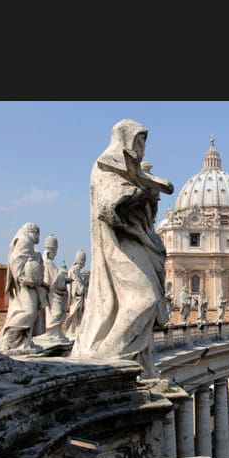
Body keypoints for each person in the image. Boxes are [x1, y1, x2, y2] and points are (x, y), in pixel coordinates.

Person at [71, 119, 174, 379]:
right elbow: (108, 206)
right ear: (126, 140)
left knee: (144, 300)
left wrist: (148, 189)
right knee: (144, 300)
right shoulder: (106, 165)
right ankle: (107, 358)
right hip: (118, 243)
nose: (142, 147)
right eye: (140, 141)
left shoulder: (131, 169)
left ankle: (135, 358)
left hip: (136, 239)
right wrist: (141, 192)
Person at [0, 224, 49, 354]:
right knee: (28, 311)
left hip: (28, 284)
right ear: (33, 232)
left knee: (32, 311)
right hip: (24, 284)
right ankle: (8, 339)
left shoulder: (27, 243)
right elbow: (16, 259)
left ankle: (23, 341)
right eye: (38, 234)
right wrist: (21, 278)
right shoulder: (25, 240)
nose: (38, 238)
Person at [38, 234, 73, 341]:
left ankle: (55, 332)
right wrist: (65, 279)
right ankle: (51, 333)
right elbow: (56, 279)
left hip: (52, 293)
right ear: (52, 251)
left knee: (56, 313)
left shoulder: (46, 262)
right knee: (56, 313)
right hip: (52, 294)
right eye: (55, 252)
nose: (55, 254)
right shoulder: (48, 263)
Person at [65, 249, 87, 338]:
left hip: (76, 297)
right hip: (76, 297)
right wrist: (85, 289)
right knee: (75, 315)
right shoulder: (75, 270)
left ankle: (75, 329)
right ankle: (73, 330)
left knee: (77, 316)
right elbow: (77, 286)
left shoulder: (73, 269)